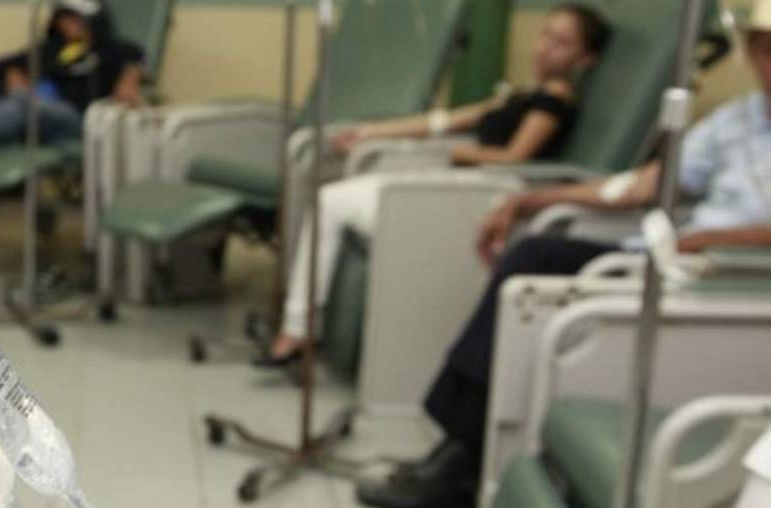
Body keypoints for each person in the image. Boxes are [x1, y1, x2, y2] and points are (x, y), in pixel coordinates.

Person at [354, 4, 771, 508]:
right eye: (762, 49)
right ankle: (458, 448)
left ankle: (458, 463)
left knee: (540, 279)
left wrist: (715, 240)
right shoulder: (737, 121)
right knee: (533, 254)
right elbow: (640, 187)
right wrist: (530, 201)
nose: (767, 61)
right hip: (668, 257)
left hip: (728, 277)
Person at [258, 3, 612, 367]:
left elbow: (514, 156)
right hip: (457, 184)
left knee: (331, 202)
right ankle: (299, 326)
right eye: (546, 35)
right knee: (331, 200)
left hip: (475, 194)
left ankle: (297, 329)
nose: (545, 47)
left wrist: (457, 153)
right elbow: (446, 121)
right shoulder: (522, 95)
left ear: (584, 59)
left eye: (561, 43)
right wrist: (370, 132)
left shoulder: (554, 100)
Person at [0, 0, 144, 167]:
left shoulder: (114, 50)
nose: (70, 25)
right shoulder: (50, 49)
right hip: (22, 109)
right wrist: (14, 75)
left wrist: (129, 78)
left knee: (21, 104)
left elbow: (136, 60)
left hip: (70, 117)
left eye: (77, 19)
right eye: (65, 19)